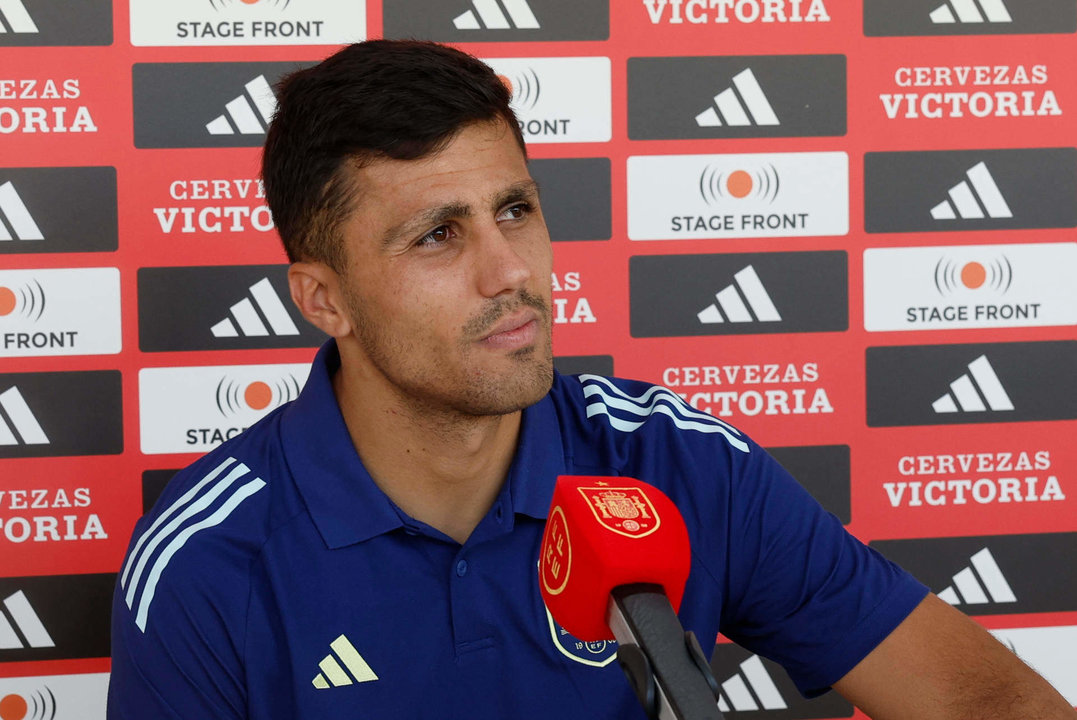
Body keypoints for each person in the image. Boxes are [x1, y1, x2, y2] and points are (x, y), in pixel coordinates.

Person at [108, 40, 1075, 719]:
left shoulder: (675, 461)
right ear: (324, 301)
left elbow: (980, 697)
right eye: (439, 235)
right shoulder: (206, 559)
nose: (510, 271)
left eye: (515, 210)